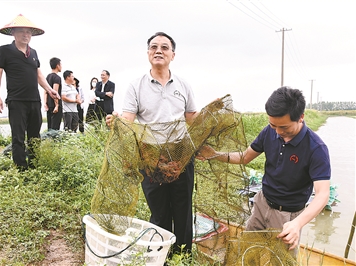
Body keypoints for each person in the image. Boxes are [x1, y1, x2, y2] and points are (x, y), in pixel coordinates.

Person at [196, 86, 331, 255]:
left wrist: (297, 224)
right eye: (273, 125)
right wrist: (215, 155)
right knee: (248, 252)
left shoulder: (316, 148)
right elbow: (245, 157)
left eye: (285, 127)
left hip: (287, 216)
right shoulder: (270, 131)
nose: (279, 132)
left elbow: (322, 194)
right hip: (262, 203)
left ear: (301, 118)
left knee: (280, 260)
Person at [106, 32, 199, 255]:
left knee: (183, 208)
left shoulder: (183, 85)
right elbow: (128, 119)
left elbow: (192, 119)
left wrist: (209, 123)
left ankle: (183, 255)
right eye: (154, 47)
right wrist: (116, 121)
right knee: (159, 210)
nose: (159, 51)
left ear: (173, 55)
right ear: (148, 53)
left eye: (165, 48)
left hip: (180, 155)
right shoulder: (136, 86)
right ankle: (161, 254)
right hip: (150, 156)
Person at [0, 14, 60, 171]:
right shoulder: (4, 51)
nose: (25, 35)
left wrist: (50, 90)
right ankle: (21, 170)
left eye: (28, 32)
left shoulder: (33, 53)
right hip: (16, 100)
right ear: (13, 33)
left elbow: (39, 75)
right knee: (18, 137)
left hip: (34, 100)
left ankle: (35, 166)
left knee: (35, 135)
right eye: (21, 31)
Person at [45, 57, 63, 130]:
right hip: (55, 105)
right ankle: (54, 141)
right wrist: (57, 105)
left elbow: (45, 92)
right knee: (55, 128)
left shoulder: (48, 77)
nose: (61, 66)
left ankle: (49, 140)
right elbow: (55, 92)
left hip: (49, 104)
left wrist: (45, 103)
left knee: (50, 126)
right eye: (60, 64)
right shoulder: (57, 78)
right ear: (57, 66)